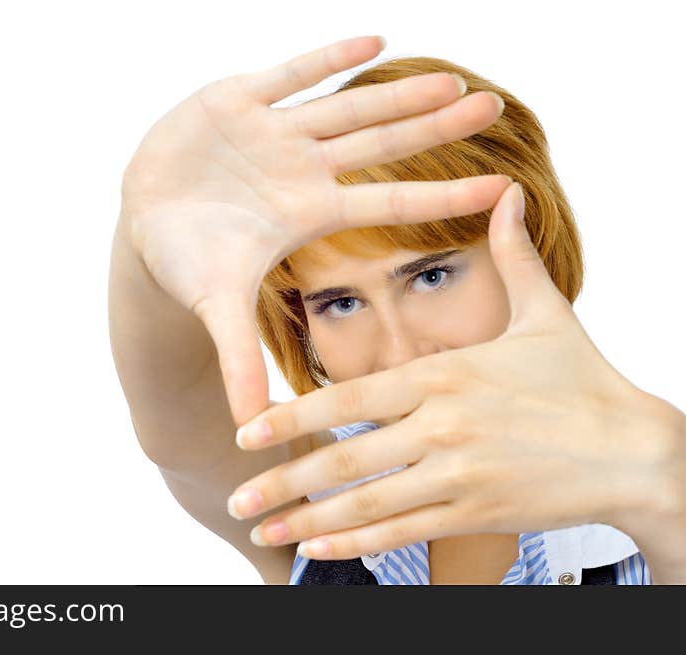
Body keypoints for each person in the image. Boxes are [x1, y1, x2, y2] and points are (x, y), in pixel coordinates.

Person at [109, 35, 686, 584]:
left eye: (431, 277)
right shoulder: (329, 496)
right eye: (340, 303)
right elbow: (179, 417)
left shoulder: (656, 482)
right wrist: (143, 246)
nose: (401, 354)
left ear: (535, 248)